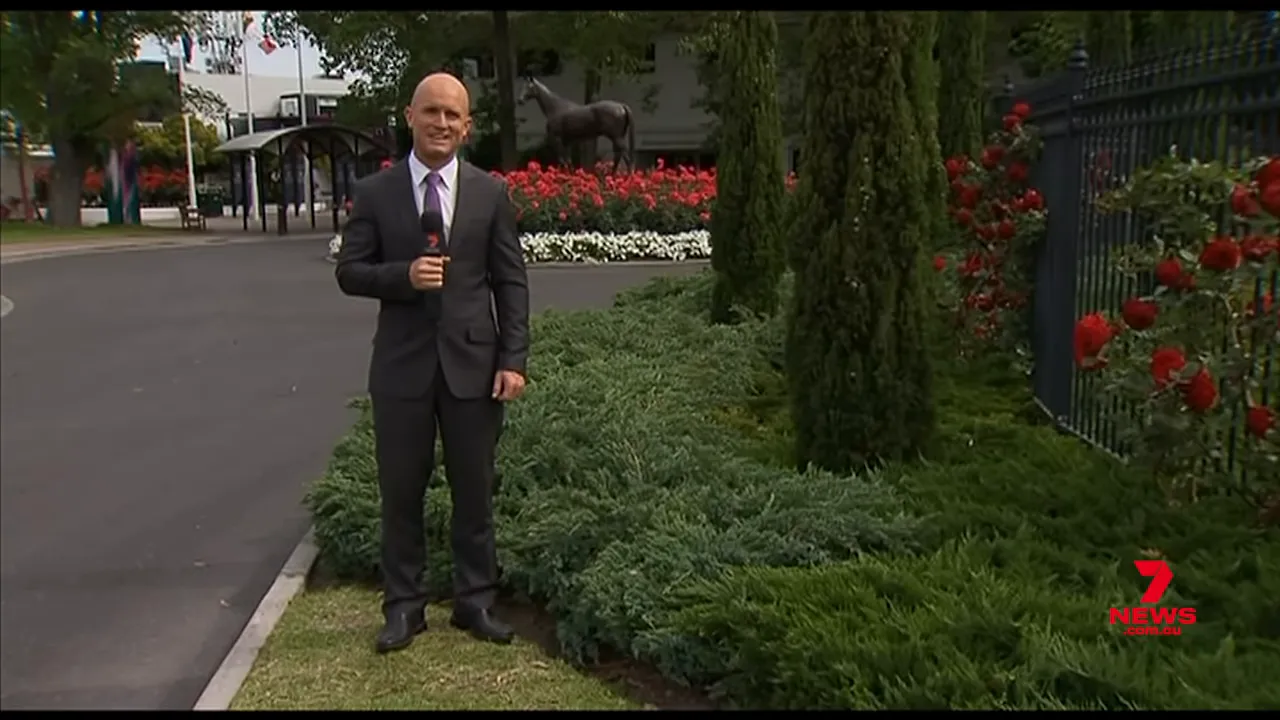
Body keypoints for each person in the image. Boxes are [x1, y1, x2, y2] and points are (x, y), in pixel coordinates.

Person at [335, 72, 530, 653]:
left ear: (467, 127)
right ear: (410, 116)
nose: (441, 123)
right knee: (401, 494)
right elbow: (350, 272)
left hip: (475, 367)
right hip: (402, 369)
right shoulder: (376, 193)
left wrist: (513, 359)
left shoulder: (490, 194)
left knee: (475, 491)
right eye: (431, 112)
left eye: (452, 115)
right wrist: (405, 276)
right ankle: (404, 608)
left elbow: (510, 282)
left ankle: (476, 601)